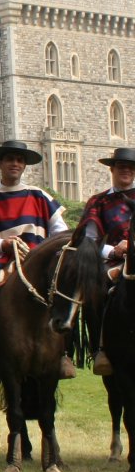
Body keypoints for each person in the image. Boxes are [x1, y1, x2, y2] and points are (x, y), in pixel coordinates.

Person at [0, 140, 71, 385]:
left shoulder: (40, 196)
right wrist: (1, 245)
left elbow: (61, 233)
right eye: (10, 159)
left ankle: (64, 354)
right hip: (0, 265)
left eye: (19, 160)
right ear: (0, 163)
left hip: (39, 265)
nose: (15, 163)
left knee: (68, 296)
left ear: (24, 165)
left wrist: (43, 253)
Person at [79, 146, 135, 376]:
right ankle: (99, 349)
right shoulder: (98, 202)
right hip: (113, 264)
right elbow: (89, 241)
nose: (126, 171)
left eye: (131, 168)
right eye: (121, 166)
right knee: (94, 292)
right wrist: (114, 251)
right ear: (111, 169)